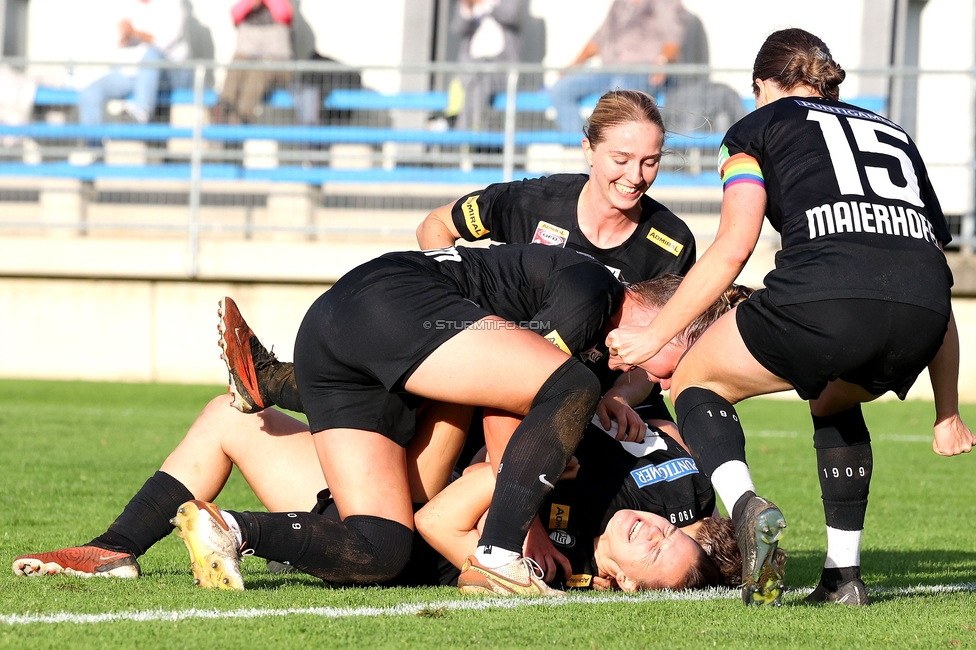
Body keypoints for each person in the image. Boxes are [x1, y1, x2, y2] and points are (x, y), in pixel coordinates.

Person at [12, 265, 744, 594]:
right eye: (673, 365)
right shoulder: (592, 338)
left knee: (225, 422)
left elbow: (445, 515)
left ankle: (116, 547)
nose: (668, 384)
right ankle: (277, 399)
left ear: (618, 581)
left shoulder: (587, 550)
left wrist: (506, 490)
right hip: (401, 466)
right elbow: (516, 396)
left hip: (397, 469)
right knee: (482, 400)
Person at [605, 28, 976, 607]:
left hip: (826, 298)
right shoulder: (894, 132)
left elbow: (733, 248)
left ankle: (746, 506)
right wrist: (947, 412)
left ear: (761, 86)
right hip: (923, 316)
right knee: (834, 398)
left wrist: (654, 333)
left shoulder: (753, 129)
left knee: (697, 380)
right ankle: (843, 578)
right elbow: (930, 265)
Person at [229, 90, 696, 448]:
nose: (636, 176)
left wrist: (618, 397)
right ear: (588, 149)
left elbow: (660, 348)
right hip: (496, 374)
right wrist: (469, 323)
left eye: (650, 162)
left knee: (680, 467)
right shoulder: (531, 200)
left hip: (599, 396)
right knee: (411, 413)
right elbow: (435, 224)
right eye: (621, 159)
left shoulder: (672, 242)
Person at [548, 0, 687, 133]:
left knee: (618, 91)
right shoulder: (620, 3)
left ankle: (612, 146)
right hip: (610, 70)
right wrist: (575, 65)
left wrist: (662, 61)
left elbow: (673, 37)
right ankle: (584, 144)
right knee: (561, 89)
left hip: (645, 71)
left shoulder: (666, 2)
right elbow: (599, 38)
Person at [79, 0, 190, 126]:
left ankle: (140, 113)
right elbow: (119, 44)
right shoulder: (131, 6)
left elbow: (161, 42)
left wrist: (133, 32)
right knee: (90, 93)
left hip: (171, 74)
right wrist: (125, 36)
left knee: (152, 56)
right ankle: (92, 145)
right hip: (138, 74)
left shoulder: (173, 4)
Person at [445, 0, 526, 131]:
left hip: (499, 68)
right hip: (471, 67)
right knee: (460, 82)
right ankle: (462, 124)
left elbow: (510, 15)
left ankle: (466, 129)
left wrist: (483, 3)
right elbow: (456, 29)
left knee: (479, 81)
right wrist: (468, 8)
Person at [212, 0, 294, 125]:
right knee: (238, 62)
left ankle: (241, 116)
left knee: (260, 70)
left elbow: (284, 14)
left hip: (276, 69)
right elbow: (235, 14)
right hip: (247, 70)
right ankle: (224, 105)